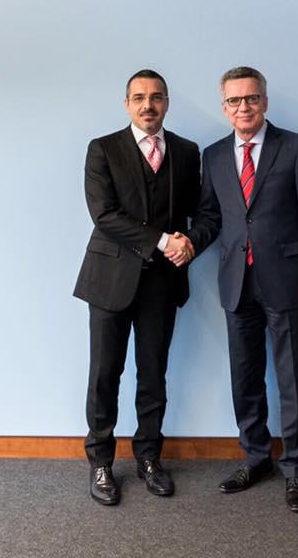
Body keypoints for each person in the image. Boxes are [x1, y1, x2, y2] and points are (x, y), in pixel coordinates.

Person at [185, 66, 298, 513]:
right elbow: (210, 216)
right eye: (234, 100)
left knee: (291, 380)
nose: (243, 107)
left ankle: (296, 469)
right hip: (236, 283)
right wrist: (188, 244)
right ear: (224, 107)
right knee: (244, 377)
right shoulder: (213, 155)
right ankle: (255, 458)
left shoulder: (296, 147)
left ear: (265, 102)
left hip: (288, 283)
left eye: (251, 98)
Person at [73, 69, 199, 506]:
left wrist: (189, 243)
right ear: (127, 103)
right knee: (105, 374)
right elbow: (104, 215)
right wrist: (163, 240)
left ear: (167, 103)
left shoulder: (187, 151)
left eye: (157, 97)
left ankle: (149, 457)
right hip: (110, 279)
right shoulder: (103, 149)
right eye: (140, 97)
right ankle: (101, 462)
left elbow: (196, 211)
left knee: (153, 374)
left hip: (162, 283)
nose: (149, 105)